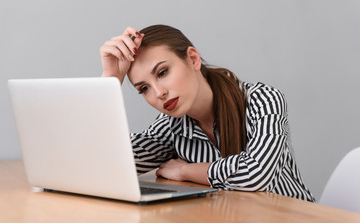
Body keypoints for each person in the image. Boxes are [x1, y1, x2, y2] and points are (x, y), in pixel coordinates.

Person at [100, 24, 316, 202]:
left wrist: (185, 171)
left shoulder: (263, 100)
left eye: (163, 72)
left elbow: (255, 175)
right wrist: (110, 79)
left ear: (193, 59)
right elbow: (106, 164)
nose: (159, 93)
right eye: (144, 88)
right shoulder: (171, 126)